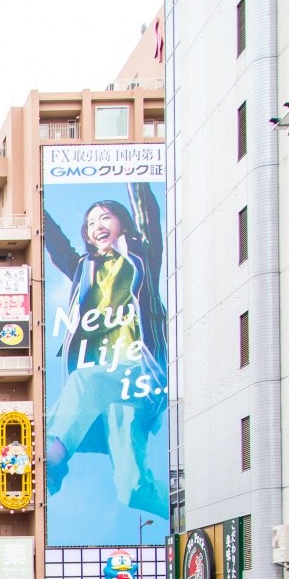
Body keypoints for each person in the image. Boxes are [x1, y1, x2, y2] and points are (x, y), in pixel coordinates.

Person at [43, 187, 169, 524]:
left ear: (122, 223)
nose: (96, 225)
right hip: (107, 392)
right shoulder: (83, 269)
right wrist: (33, 201)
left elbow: (148, 213)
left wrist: (134, 173)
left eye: (105, 217)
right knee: (132, 490)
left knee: (86, 379)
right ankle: (189, 509)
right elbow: (55, 245)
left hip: (138, 375)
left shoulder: (141, 255)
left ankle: (53, 456)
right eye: (89, 222)